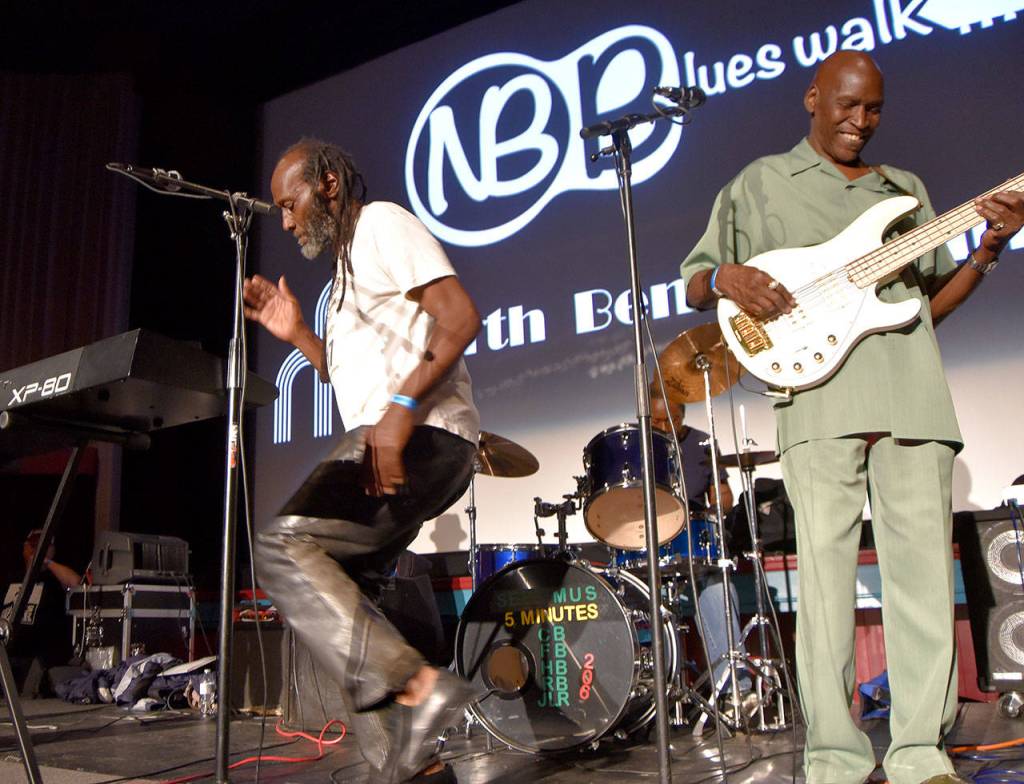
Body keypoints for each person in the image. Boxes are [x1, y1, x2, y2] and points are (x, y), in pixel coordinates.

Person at [679, 51, 1023, 784]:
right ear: (813, 97)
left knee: (923, 586)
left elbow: (927, 307)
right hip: (817, 403)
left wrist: (989, 247)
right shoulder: (759, 183)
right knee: (828, 594)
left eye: (872, 110)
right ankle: (834, 760)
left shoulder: (907, 191)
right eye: (846, 105)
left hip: (911, 397)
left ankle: (920, 757)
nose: (859, 121)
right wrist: (727, 277)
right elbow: (694, 281)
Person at [245, 139, 481, 784]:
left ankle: (420, 684)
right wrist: (297, 335)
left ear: (326, 183)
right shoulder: (345, 270)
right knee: (344, 598)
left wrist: (402, 409)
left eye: (289, 205)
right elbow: (350, 379)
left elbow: (460, 318)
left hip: (420, 434)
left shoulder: (381, 223)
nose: (286, 222)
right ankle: (411, 768)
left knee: (280, 549)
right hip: (391, 436)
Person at [649, 394, 756, 714]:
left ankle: (735, 689)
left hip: (690, 540)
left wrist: (720, 502)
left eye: (670, 421)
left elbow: (721, 493)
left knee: (719, 590)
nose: (664, 427)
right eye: (656, 422)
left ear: (681, 418)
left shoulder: (702, 443)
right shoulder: (640, 446)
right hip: (650, 542)